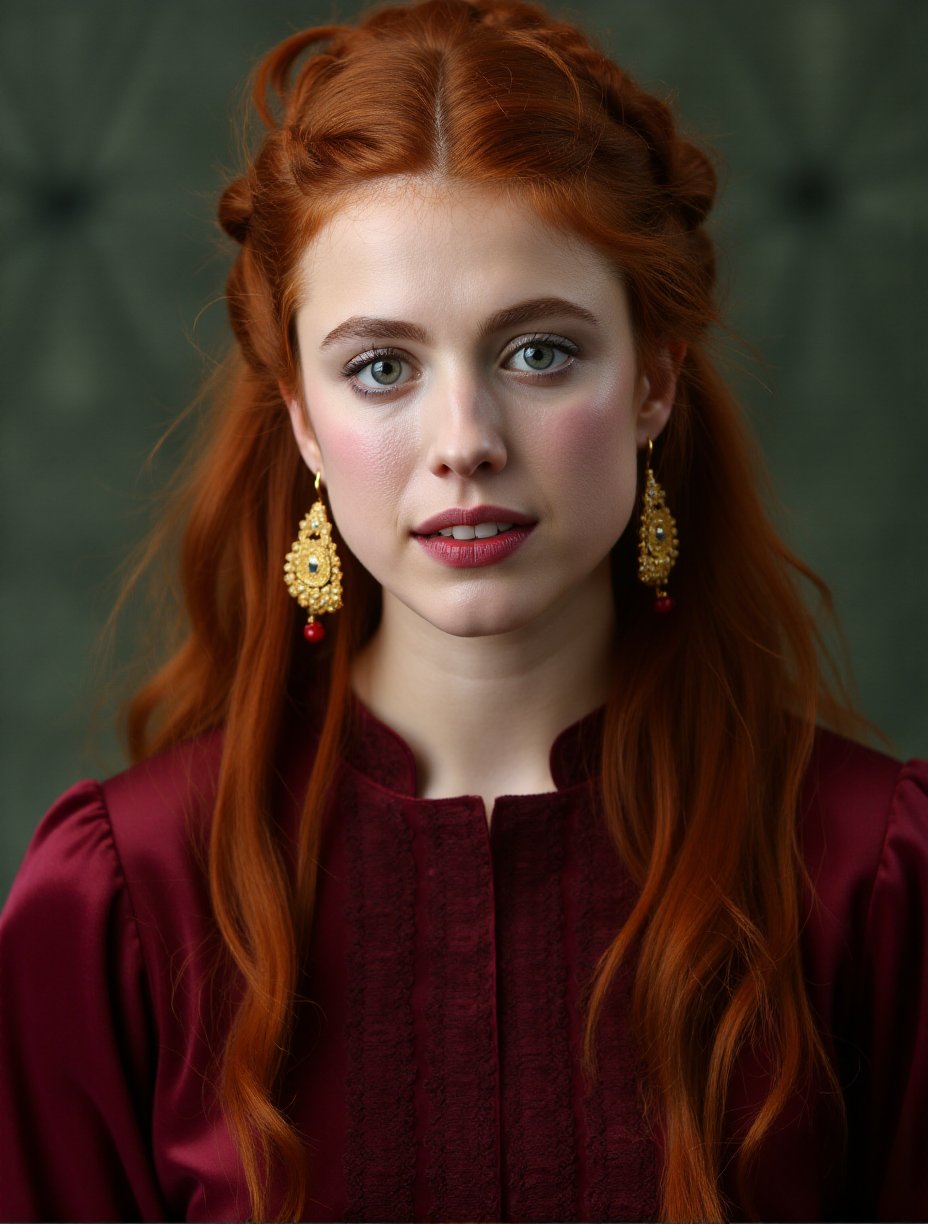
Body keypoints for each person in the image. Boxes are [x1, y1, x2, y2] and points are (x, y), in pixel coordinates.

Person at [1, 0, 926, 1220]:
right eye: (380, 367)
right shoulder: (123, 903)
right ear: (300, 420)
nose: (465, 445)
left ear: (651, 378)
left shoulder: (872, 876)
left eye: (537, 353)